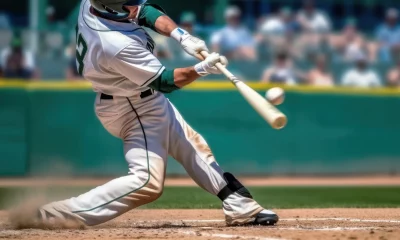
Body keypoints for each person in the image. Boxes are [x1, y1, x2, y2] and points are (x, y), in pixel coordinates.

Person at [37, 0, 278, 227]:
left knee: (192, 145)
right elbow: (164, 81)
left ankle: (238, 204)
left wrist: (180, 35)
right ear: (113, 9)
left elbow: (145, 11)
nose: (134, 4)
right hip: (129, 107)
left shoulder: (94, 5)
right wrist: (200, 69)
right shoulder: (114, 44)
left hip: (139, 97)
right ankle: (61, 213)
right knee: (147, 182)